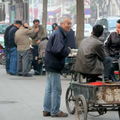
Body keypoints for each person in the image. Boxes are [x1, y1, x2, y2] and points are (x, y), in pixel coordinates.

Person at [43, 17, 71, 117]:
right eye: (68, 23)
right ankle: (55, 111)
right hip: (53, 63)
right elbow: (58, 50)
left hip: (50, 62)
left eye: (70, 23)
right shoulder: (59, 34)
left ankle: (47, 109)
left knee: (49, 88)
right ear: (62, 24)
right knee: (56, 88)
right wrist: (67, 51)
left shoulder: (58, 33)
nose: (69, 25)